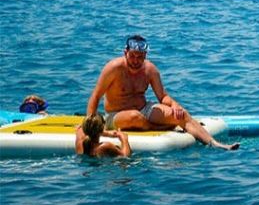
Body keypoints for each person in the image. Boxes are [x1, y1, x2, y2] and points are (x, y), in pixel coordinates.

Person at [85, 35, 239, 151]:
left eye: (140, 57)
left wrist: (176, 106)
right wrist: (88, 125)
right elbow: (96, 96)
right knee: (134, 116)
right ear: (125, 53)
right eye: (132, 56)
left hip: (144, 109)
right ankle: (164, 127)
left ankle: (215, 144)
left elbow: (162, 96)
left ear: (145, 55)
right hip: (117, 115)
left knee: (180, 114)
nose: (135, 61)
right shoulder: (113, 68)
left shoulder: (150, 70)